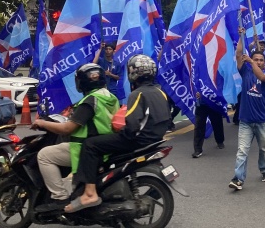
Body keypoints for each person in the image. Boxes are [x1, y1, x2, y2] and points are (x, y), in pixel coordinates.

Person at [65, 54, 170, 213]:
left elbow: (133, 123)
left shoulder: (137, 94)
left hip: (136, 140)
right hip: (154, 139)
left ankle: (90, 193)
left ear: (133, 73)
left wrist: (119, 130)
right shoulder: (160, 92)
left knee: (90, 145)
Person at [32, 63, 120, 211]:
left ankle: (59, 198)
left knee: (44, 155)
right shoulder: (110, 97)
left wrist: (42, 123)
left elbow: (67, 128)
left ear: (81, 82)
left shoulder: (90, 101)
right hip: (104, 147)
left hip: (83, 149)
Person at [229, 29, 265, 191]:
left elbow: (262, 77)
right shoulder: (246, 71)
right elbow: (239, 53)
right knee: (242, 151)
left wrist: (252, 62)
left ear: (264, 62)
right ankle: (238, 179)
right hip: (246, 121)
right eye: (256, 59)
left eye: (261, 60)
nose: (259, 62)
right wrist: (241, 36)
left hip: (262, 121)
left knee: (264, 149)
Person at [192, 92, 225, 158]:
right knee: (199, 126)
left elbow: (218, 85)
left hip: (213, 102)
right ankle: (198, 149)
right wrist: (195, 92)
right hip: (201, 104)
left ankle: (220, 141)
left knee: (217, 123)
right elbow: (192, 84)